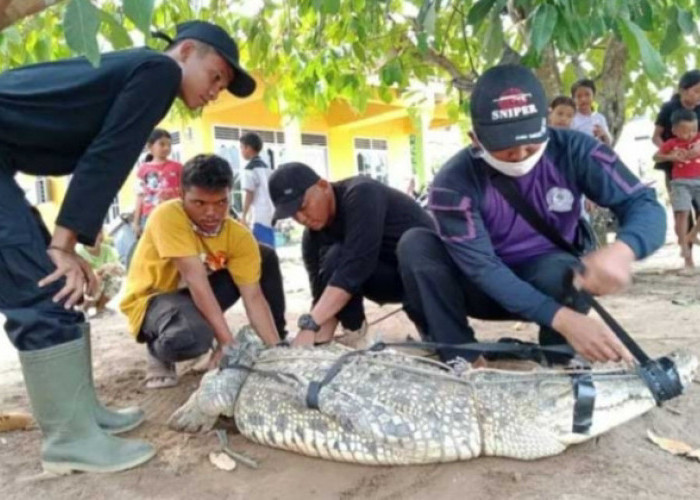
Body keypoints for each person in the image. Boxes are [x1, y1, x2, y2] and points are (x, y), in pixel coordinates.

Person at [0, 20, 256, 474]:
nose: (216, 91)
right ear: (186, 51)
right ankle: (70, 441)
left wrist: (71, 242)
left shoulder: (139, 72)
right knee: (43, 288)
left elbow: (102, 152)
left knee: (57, 285)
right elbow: (109, 155)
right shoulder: (158, 71)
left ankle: (82, 415)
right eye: (215, 76)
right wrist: (63, 244)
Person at [398, 64, 666, 365]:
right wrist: (563, 318)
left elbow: (645, 205)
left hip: (549, 280)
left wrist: (623, 250)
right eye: (506, 147)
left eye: (531, 142)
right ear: (476, 139)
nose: (522, 154)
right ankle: (461, 355)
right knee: (416, 244)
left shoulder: (575, 150)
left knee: (567, 269)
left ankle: (558, 354)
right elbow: (483, 268)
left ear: (546, 124)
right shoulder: (453, 182)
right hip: (480, 290)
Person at [120, 154, 286, 389]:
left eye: (221, 202)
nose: (212, 213)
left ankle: (277, 342)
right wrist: (227, 343)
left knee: (264, 256)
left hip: (191, 296)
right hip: (154, 300)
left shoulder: (237, 235)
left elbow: (253, 296)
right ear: (181, 195)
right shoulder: (167, 216)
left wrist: (277, 355)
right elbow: (196, 281)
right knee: (192, 337)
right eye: (199, 203)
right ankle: (158, 350)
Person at [268, 162, 435, 347]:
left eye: (303, 206)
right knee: (333, 260)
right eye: (293, 214)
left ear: (323, 186)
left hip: (428, 278)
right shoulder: (312, 237)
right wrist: (315, 340)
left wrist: (310, 324)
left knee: (446, 350)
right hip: (380, 278)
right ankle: (355, 335)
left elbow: (356, 265)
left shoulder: (361, 194)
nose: (301, 218)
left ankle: (434, 329)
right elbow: (321, 293)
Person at [653, 109, 700, 270]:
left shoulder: (698, 139)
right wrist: (670, 157)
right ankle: (684, 246)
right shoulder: (672, 143)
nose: (690, 135)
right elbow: (656, 156)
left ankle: (693, 234)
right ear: (674, 131)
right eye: (685, 132)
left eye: (693, 130)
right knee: (683, 214)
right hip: (680, 182)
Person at [652, 70, 700, 194]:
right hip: (673, 165)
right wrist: (670, 152)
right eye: (697, 91)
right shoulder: (668, 108)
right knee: (681, 206)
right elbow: (656, 136)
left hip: (696, 163)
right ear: (683, 91)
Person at [132, 129, 183, 237]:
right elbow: (140, 197)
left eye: (169, 145)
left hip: (173, 214)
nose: (167, 148)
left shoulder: (178, 168)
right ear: (150, 147)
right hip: (150, 216)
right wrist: (136, 223)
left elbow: (185, 193)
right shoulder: (143, 170)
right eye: (162, 144)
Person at [76, 230, 125, 315]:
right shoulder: (79, 252)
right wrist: (100, 270)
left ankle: (101, 308)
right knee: (96, 277)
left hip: (100, 284)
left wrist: (114, 267)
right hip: (85, 287)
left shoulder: (107, 250)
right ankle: (83, 309)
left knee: (116, 279)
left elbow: (121, 269)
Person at [240, 132, 275, 247]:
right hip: (269, 213)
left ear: (248, 148)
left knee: (261, 250)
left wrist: (244, 215)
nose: (241, 151)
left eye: (241, 147)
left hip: (259, 216)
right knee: (269, 248)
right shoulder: (266, 167)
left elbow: (249, 193)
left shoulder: (250, 169)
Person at [571, 79, 612, 145]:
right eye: (579, 96)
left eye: (587, 95)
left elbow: (608, 143)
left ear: (594, 96)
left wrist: (603, 135)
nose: (583, 99)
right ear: (573, 99)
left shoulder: (600, 118)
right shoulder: (571, 118)